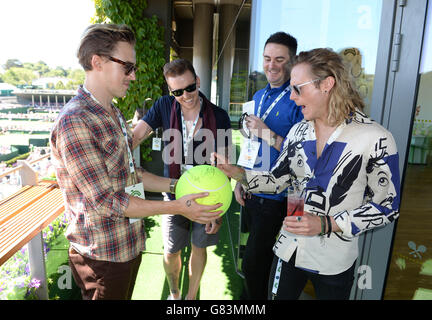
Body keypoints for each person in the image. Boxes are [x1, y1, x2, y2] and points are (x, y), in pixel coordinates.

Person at [49, 24, 222, 300]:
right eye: (127, 67)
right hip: (103, 256)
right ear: (97, 62)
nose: (133, 75)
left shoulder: (113, 113)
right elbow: (107, 201)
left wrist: (182, 185)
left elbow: (132, 174)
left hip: (126, 246)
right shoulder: (76, 121)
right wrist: (177, 206)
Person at [214, 48, 400, 300]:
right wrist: (236, 172)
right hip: (289, 248)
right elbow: (276, 181)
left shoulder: (376, 138)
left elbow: (388, 206)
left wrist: (325, 224)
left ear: (327, 84)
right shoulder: (298, 132)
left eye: (297, 89)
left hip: (335, 260)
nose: (291, 97)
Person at [132, 59, 231, 300]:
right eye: (177, 91)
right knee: (171, 250)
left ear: (197, 81)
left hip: (206, 196)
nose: (185, 96)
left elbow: (225, 167)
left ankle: (190, 297)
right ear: (170, 91)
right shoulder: (164, 106)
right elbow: (135, 137)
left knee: (199, 247)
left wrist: (218, 212)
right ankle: (175, 293)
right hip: (172, 194)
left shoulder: (219, 116)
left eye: (189, 88)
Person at [235, 32, 303, 300]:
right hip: (253, 191)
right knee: (254, 264)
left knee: (255, 264)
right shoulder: (259, 95)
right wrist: (242, 179)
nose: (271, 65)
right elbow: (252, 145)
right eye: (266, 58)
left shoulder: (298, 99)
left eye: (279, 59)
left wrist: (268, 133)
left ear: (292, 61)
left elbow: (303, 155)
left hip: (279, 197)